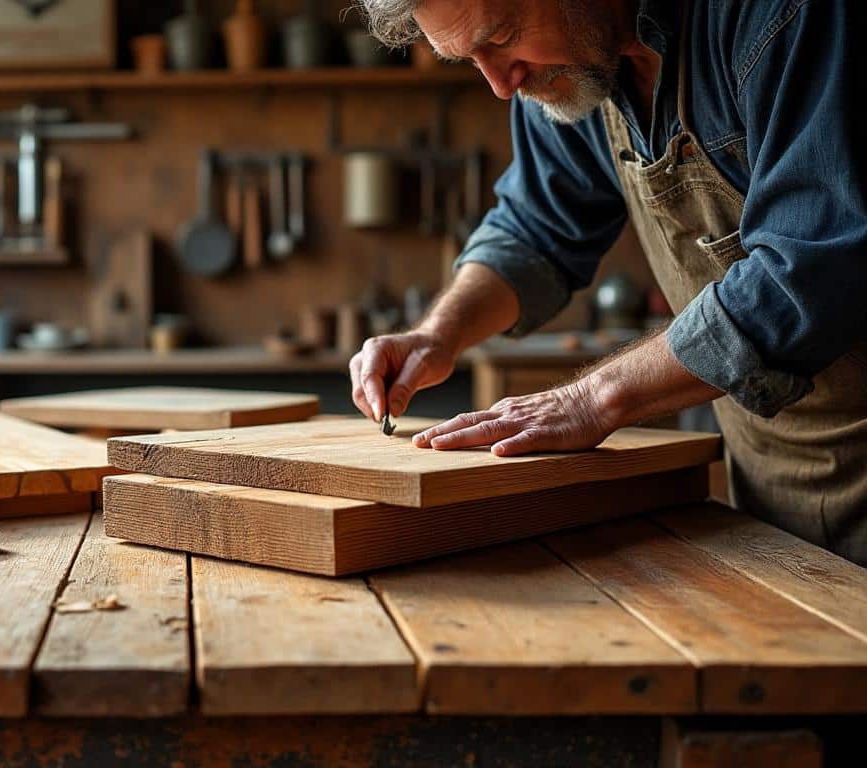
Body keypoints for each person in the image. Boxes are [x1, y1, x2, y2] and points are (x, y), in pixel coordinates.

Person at [349, 0, 867, 563]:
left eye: (499, 37)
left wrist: (591, 399)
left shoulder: (778, 15)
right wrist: (437, 334)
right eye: (468, 59)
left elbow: (811, 269)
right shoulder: (566, 66)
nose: (500, 84)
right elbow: (536, 227)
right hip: (773, 490)